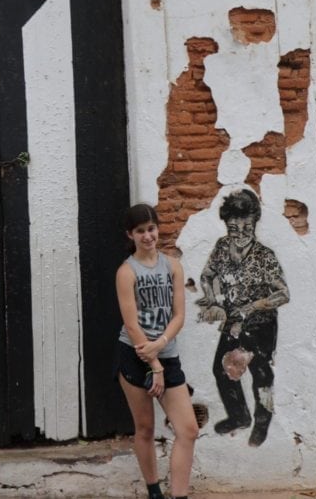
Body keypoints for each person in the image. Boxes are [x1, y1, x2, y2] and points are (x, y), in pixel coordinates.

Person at [114, 203, 197, 499]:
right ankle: (154, 492)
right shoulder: (126, 272)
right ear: (130, 234)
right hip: (134, 355)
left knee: (188, 430)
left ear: (157, 228)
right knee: (145, 428)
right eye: (140, 231)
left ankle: (180, 496)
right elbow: (131, 323)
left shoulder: (172, 265)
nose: (148, 236)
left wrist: (161, 349)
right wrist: (154, 365)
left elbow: (179, 316)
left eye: (151, 229)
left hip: (165, 352)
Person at [197, 189, 289, 447]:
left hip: (261, 322)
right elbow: (206, 276)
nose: (239, 233)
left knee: (261, 375)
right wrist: (213, 299)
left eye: (246, 226)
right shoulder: (222, 246)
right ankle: (239, 416)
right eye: (233, 228)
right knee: (221, 369)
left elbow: (283, 294)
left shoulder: (264, 256)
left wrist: (251, 307)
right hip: (233, 319)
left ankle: (262, 422)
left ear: (255, 222)